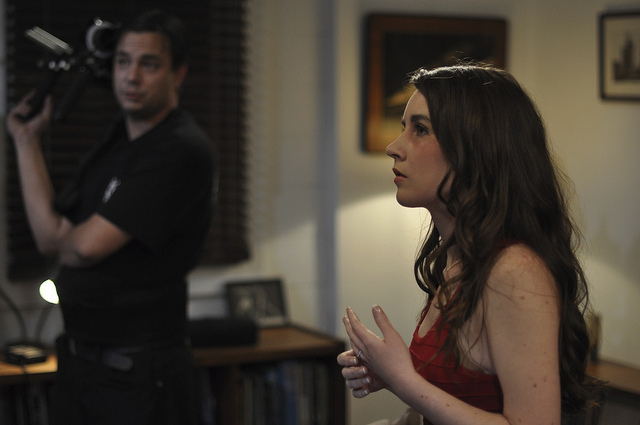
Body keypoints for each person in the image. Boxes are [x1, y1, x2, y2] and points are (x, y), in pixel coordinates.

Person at [337, 65, 602, 425]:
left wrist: (403, 380)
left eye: (420, 130)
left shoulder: (514, 271)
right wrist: (390, 375)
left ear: (476, 149)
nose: (393, 148)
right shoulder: (458, 260)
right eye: (404, 128)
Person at [6, 9, 216, 425]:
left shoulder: (180, 149)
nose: (131, 77)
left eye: (148, 64)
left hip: (139, 375)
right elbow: (50, 237)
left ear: (177, 74)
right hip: (81, 363)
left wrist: (71, 241)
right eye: (123, 61)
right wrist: (26, 142)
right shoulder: (117, 140)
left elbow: (83, 248)